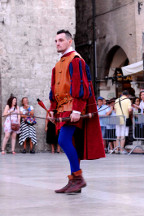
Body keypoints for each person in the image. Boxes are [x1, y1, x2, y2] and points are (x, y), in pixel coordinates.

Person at [48, 29, 105, 194]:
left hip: (73, 109)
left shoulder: (76, 61)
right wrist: (52, 110)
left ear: (69, 41)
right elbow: (54, 90)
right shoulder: (57, 65)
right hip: (62, 110)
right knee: (71, 142)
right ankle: (73, 181)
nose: (58, 43)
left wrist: (77, 110)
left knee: (64, 140)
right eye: (56, 41)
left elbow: (81, 87)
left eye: (61, 40)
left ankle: (78, 178)